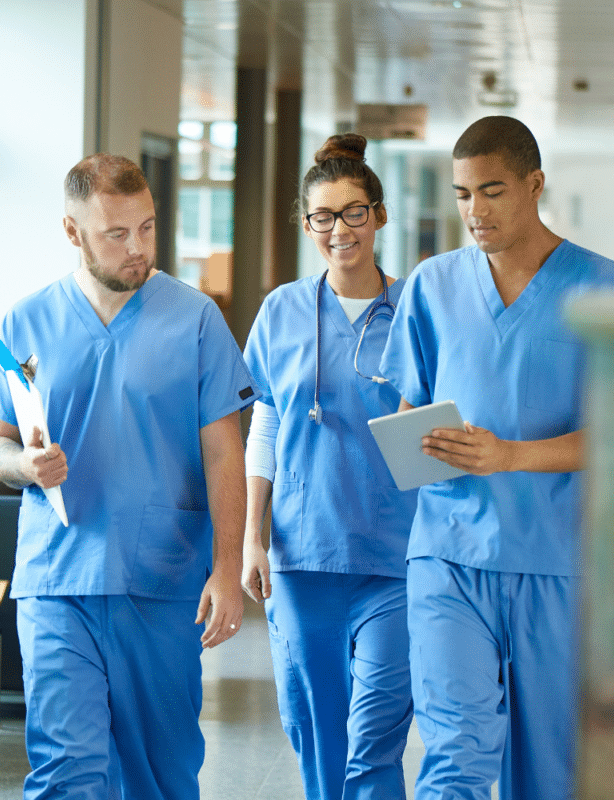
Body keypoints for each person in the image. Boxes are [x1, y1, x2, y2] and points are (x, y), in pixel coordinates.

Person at [378, 116, 614, 800]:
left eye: (491, 191)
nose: (475, 211)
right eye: (463, 194)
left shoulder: (607, 290)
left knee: (548, 772)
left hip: (555, 563)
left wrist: (511, 455)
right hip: (446, 554)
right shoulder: (432, 286)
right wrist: (417, 441)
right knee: (456, 755)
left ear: (535, 185)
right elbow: (412, 407)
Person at [0, 153, 256, 800]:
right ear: (73, 234)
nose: (137, 249)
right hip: (56, 577)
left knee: (158, 775)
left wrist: (226, 568)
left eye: (148, 228)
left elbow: (226, 453)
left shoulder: (195, 320)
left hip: (161, 580)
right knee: (64, 770)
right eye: (117, 234)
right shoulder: (24, 324)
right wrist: (22, 465)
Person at [240, 132, 417, 800]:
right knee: (317, 732)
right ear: (306, 223)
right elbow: (267, 419)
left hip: (396, 558)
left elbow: (436, 426)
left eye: (353, 212)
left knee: (375, 736)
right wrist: (253, 537)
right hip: (302, 554)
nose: (339, 230)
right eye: (323, 216)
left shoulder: (414, 311)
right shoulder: (282, 310)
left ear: (378, 214)